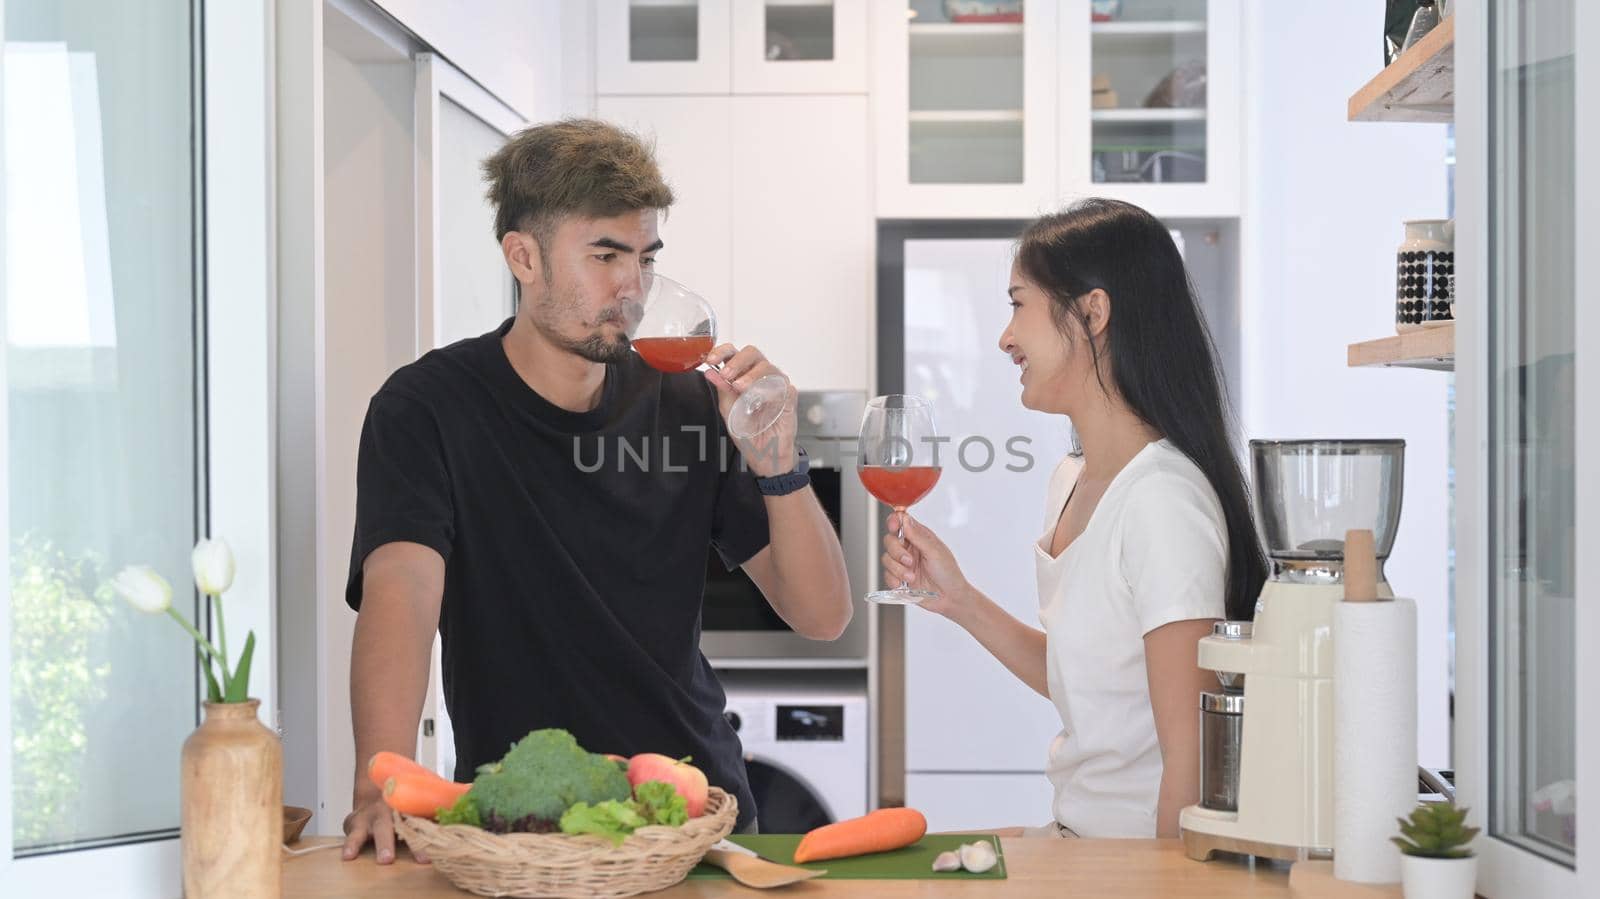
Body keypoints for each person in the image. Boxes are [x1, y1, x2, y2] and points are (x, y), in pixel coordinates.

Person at [341, 119, 852, 863]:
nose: (633, 286)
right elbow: (403, 591)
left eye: (645, 258)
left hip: (694, 820)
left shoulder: (685, 398)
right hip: (522, 830)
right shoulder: (426, 409)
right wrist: (377, 781)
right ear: (524, 257)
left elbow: (823, 615)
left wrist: (779, 460)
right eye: (605, 255)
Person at [881, 198, 1266, 839]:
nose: (1005, 337)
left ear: (1092, 312)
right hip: (1077, 842)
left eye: (1018, 304)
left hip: (1135, 865)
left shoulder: (1163, 502)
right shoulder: (1072, 482)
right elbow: (1093, 691)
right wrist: (960, 601)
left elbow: (1193, 768)